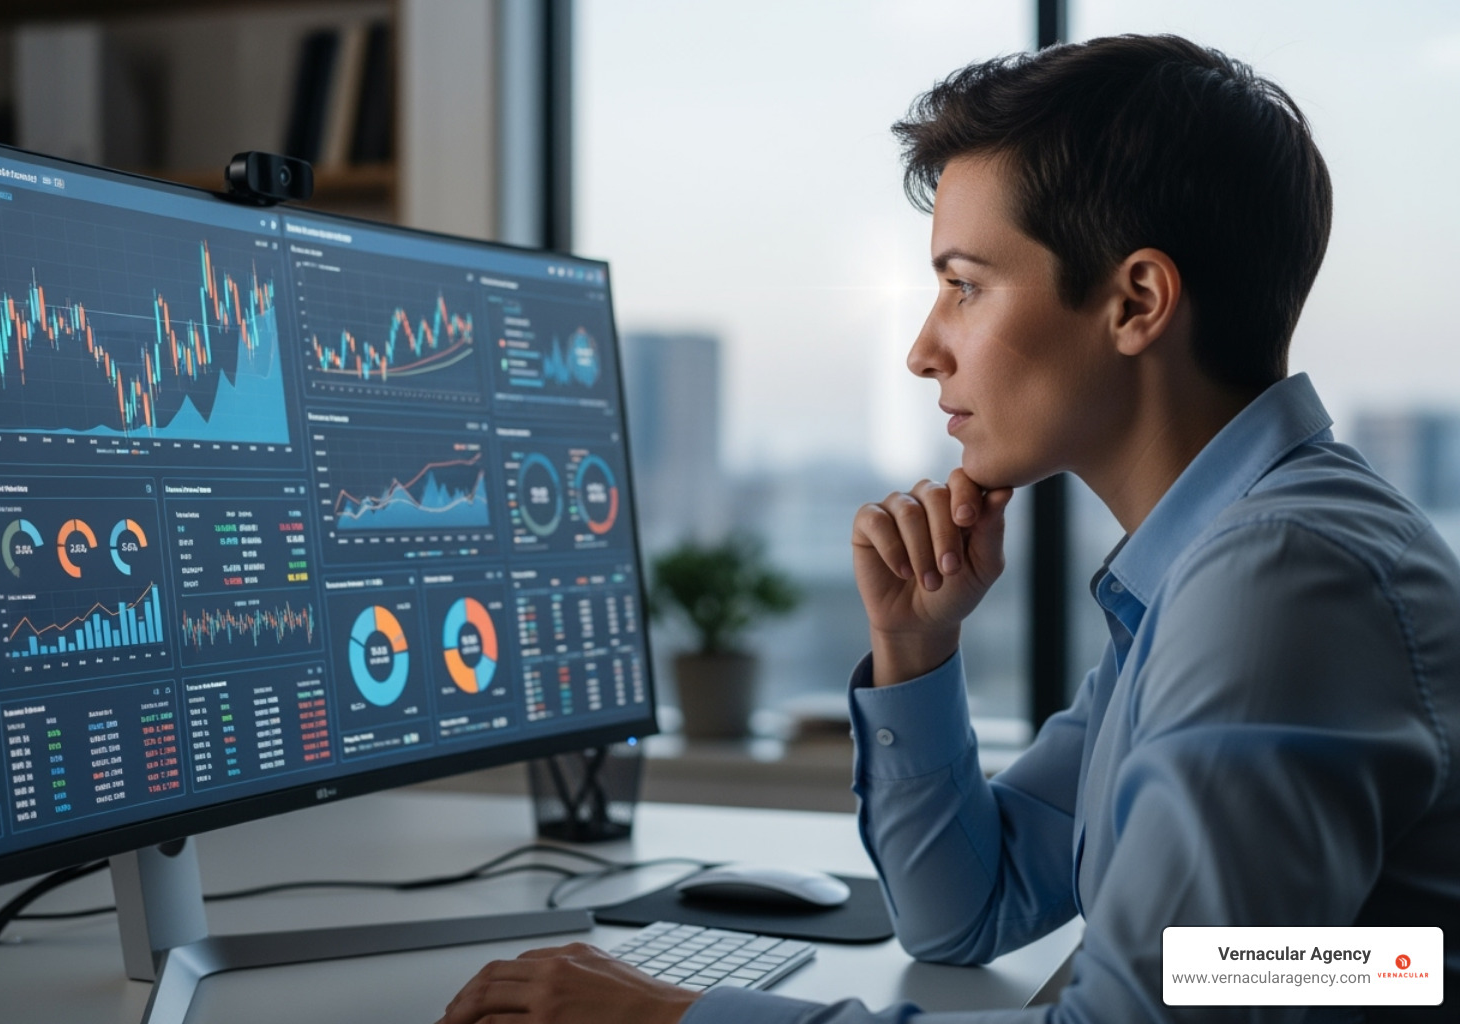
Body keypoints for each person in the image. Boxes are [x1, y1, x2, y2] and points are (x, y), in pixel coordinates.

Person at [436, 34, 1460, 1024]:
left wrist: (677, 1019)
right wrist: (916, 648)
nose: (925, 349)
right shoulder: (1207, 566)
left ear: (1137, 300)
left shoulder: (1277, 580)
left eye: (964, 286)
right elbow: (965, 909)